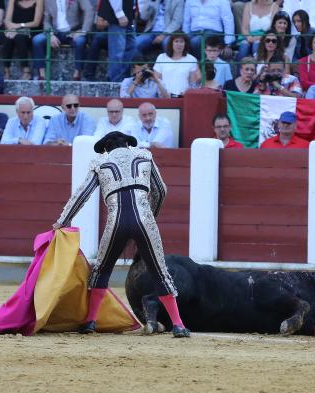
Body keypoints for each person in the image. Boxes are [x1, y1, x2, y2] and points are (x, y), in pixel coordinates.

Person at [51, 131, 190, 337]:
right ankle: (178, 324)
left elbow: (82, 194)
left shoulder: (101, 162)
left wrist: (63, 221)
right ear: (128, 144)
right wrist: (151, 216)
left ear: (106, 148)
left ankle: (90, 321)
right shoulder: (144, 156)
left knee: (101, 270)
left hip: (115, 221)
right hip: (144, 218)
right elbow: (161, 190)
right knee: (159, 272)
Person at [32, 0, 94, 80]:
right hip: (55, 32)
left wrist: (84, 31)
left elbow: (89, 10)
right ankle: (42, 75)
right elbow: (46, 20)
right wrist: (50, 34)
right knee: (37, 40)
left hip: (74, 32)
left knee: (80, 42)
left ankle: (77, 74)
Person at [1, 0, 43, 80]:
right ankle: (6, 71)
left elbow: (36, 23)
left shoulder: (39, 1)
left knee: (20, 38)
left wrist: (19, 26)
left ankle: (26, 71)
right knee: (7, 39)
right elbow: (7, 20)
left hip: (31, 31)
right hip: (14, 30)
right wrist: (12, 29)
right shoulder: (12, 1)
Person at [97, 0, 136, 82]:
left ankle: (122, 78)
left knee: (131, 47)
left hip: (128, 16)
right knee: (117, 52)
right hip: (118, 18)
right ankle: (115, 80)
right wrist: (119, 14)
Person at [153, 31, 199, 97]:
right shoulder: (161, 57)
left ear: (185, 44)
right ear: (171, 43)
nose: (179, 44)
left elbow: (193, 84)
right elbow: (156, 80)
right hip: (164, 97)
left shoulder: (192, 59)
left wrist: (186, 93)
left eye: (181, 42)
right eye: (176, 41)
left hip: (183, 98)